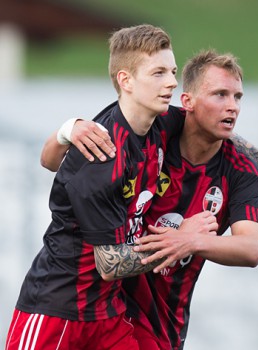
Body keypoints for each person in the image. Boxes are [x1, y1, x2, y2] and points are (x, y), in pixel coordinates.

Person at [37, 50, 258, 349]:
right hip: (109, 306)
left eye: (238, 97)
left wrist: (191, 241)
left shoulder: (240, 170)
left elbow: (250, 248)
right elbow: (60, 158)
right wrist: (69, 128)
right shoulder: (156, 127)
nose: (232, 107)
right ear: (187, 102)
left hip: (163, 323)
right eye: (220, 94)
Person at [5, 24, 182, 349]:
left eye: (172, 71)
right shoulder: (103, 153)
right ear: (125, 81)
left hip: (108, 314)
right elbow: (109, 264)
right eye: (158, 73)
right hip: (57, 311)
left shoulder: (161, 122)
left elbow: (206, 124)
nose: (172, 81)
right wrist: (181, 244)